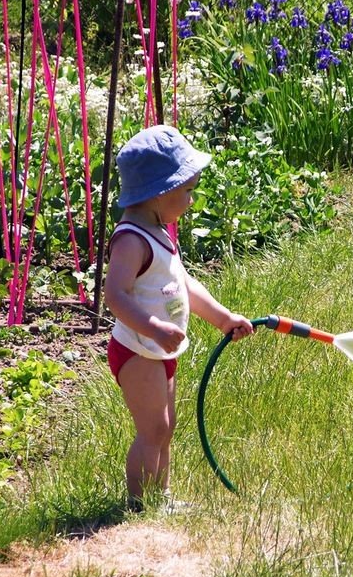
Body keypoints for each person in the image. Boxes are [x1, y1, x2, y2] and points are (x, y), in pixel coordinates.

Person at [104, 125, 254, 511]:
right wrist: (152, 327)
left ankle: (162, 497)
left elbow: (183, 283)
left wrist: (223, 318)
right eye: (186, 190)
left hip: (158, 350)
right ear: (159, 191)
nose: (190, 199)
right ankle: (137, 505)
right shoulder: (131, 239)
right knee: (152, 428)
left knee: (165, 428)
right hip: (137, 350)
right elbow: (115, 296)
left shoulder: (159, 230)